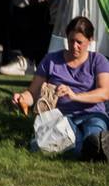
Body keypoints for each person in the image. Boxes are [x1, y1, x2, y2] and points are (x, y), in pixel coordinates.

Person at [11, 16, 109, 161]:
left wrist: (74, 96)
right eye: (71, 41)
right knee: (78, 143)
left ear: (90, 41)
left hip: (93, 114)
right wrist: (22, 98)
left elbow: (104, 93)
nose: (74, 46)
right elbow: (33, 92)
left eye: (79, 42)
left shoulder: (98, 60)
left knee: (92, 136)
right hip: (62, 117)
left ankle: (91, 146)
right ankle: (91, 150)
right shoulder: (51, 60)